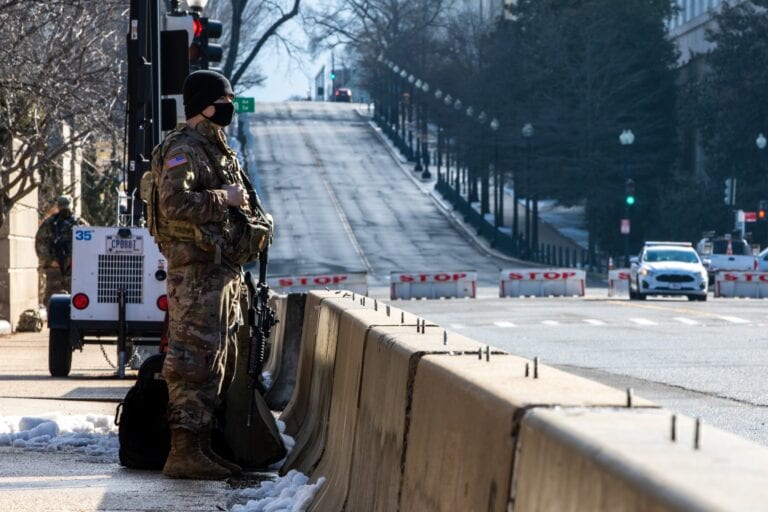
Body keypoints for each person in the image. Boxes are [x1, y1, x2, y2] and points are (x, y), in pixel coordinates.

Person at [151, 70, 272, 480]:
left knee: (214, 359)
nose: (231, 105)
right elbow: (173, 203)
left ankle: (199, 446)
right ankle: (183, 450)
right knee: (192, 358)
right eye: (225, 98)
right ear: (205, 104)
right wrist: (226, 198)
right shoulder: (184, 148)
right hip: (197, 273)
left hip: (219, 270)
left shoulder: (213, 147)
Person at [34, 195, 88, 305]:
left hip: (74, 269)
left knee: (76, 301)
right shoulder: (50, 223)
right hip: (55, 268)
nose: (65, 210)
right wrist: (50, 261)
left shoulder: (80, 224)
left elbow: (90, 245)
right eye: (63, 207)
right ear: (59, 207)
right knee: (53, 301)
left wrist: (80, 262)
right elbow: (40, 243)